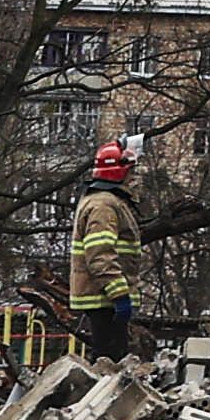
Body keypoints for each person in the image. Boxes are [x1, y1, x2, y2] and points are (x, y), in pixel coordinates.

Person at [67, 141, 147, 358]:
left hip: (103, 296)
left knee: (111, 358)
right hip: (104, 298)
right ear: (118, 172)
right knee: (109, 362)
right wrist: (119, 294)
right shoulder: (104, 206)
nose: (133, 177)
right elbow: (100, 255)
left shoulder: (106, 201)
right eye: (130, 171)